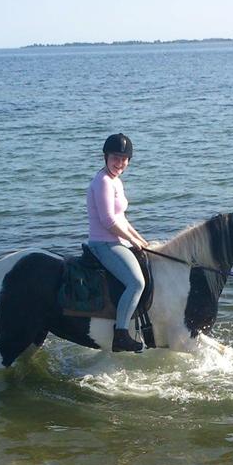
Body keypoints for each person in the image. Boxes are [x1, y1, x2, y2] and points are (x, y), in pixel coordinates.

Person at [87, 133, 149, 353]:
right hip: (104, 243)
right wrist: (131, 240)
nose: (119, 163)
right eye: (115, 157)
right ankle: (121, 333)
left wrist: (140, 239)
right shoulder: (103, 181)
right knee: (136, 283)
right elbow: (108, 221)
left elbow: (121, 218)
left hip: (118, 241)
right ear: (106, 156)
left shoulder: (116, 180)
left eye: (124, 159)